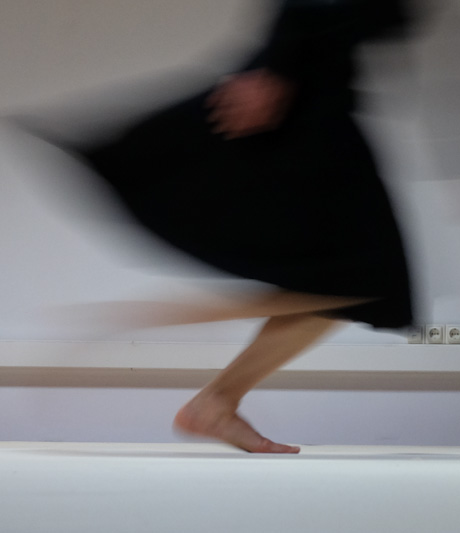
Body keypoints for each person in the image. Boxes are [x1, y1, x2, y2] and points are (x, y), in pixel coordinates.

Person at [54, 0, 415, 453]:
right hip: (300, 107)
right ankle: (196, 375)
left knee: (353, 278)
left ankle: (208, 392)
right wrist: (275, 67)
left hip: (313, 103)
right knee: (362, 275)